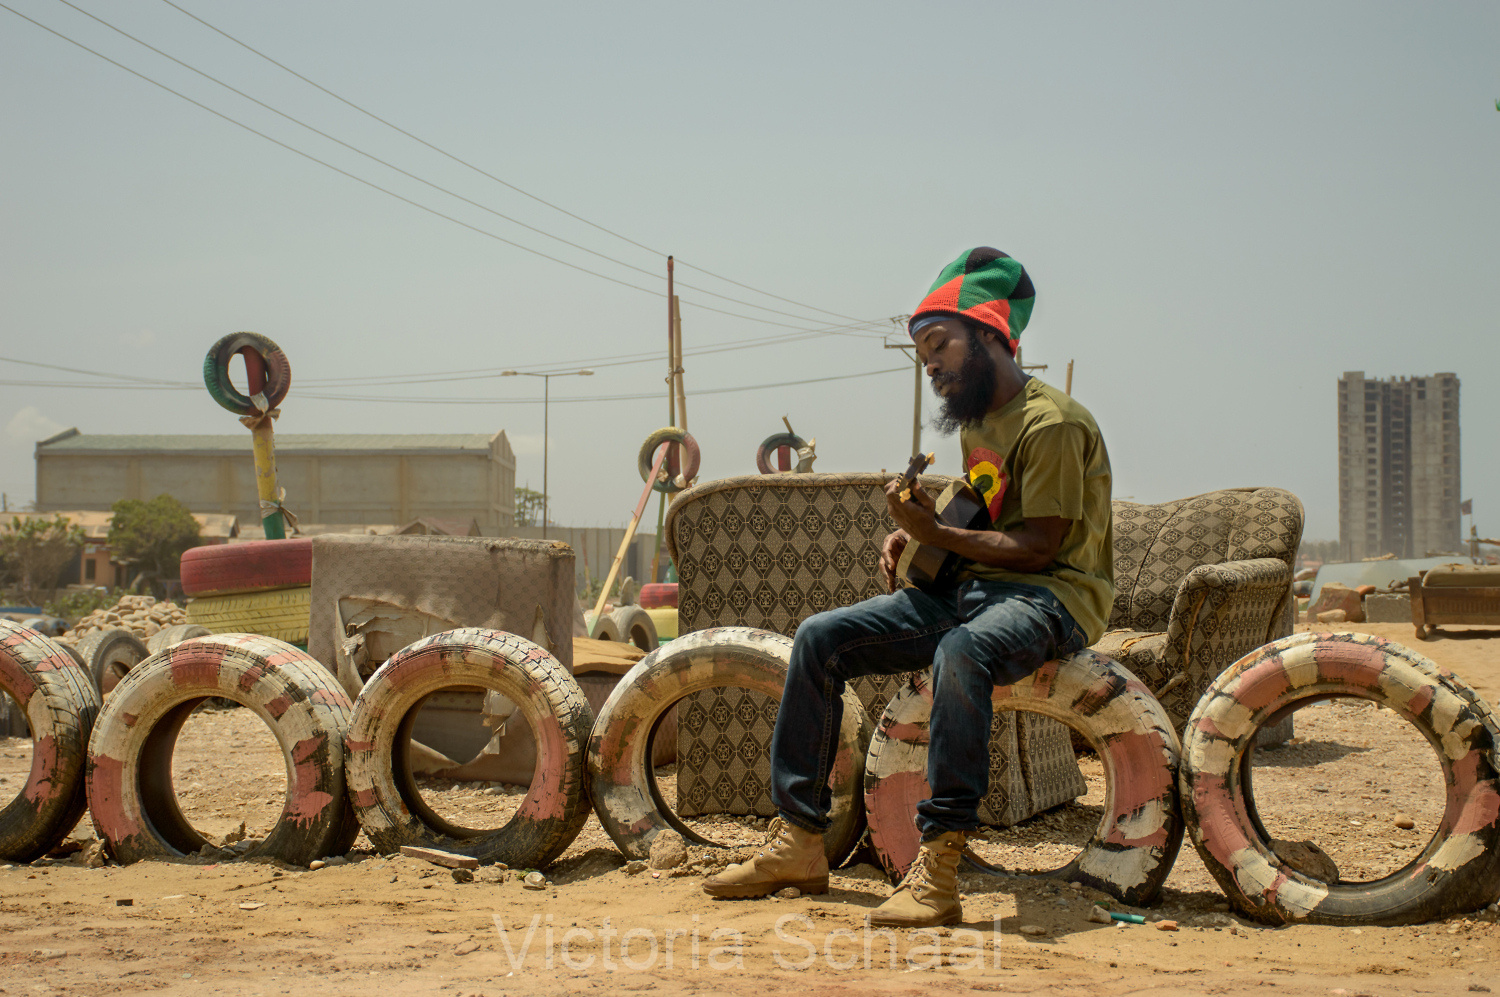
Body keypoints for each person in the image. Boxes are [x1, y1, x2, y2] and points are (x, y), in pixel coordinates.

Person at [702, 247, 1114, 928]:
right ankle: (800, 841)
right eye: (922, 353)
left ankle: (940, 868)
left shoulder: (1054, 424)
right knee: (820, 638)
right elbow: (985, 507)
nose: (930, 365)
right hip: (976, 588)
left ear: (989, 336)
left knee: (962, 650)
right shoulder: (979, 420)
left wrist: (937, 532)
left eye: (938, 344)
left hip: (1051, 596)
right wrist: (920, 536)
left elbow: (1040, 547)